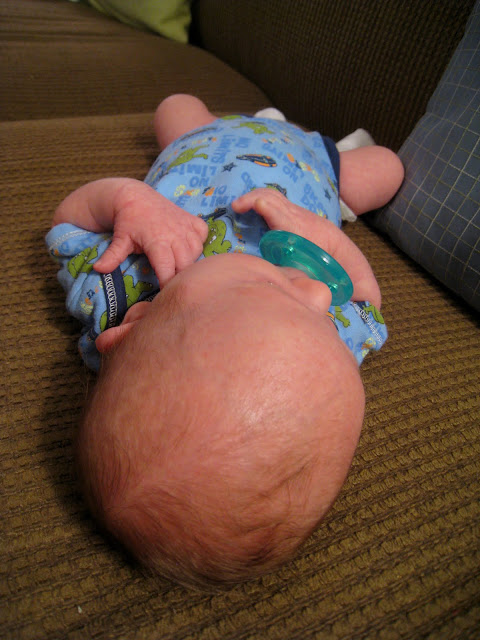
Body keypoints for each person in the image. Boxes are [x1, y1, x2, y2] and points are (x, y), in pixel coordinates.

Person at [46, 94, 404, 589]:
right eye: (326, 324)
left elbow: (66, 223)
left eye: (271, 288)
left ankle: (227, 120)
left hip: (203, 145)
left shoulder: (119, 289)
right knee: (387, 169)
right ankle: (310, 141)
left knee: (174, 106)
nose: (320, 295)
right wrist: (324, 234)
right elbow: (364, 296)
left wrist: (132, 202)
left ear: (136, 323)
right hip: (317, 168)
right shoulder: (324, 357)